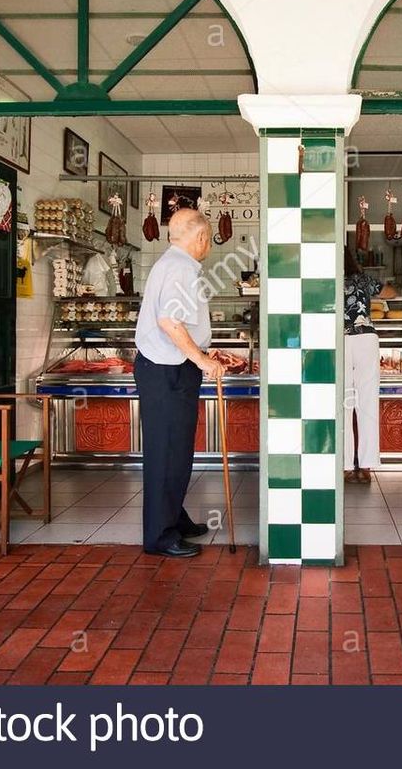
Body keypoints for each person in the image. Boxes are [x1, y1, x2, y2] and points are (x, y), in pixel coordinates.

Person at [133, 208, 226, 557]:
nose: (209, 244)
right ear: (200, 237)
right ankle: (160, 536)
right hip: (167, 370)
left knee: (176, 451)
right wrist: (202, 359)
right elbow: (170, 322)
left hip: (170, 369)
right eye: (209, 238)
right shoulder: (181, 268)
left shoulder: (172, 263)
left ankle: (174, 517)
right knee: (167, 453)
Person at [344, 246, 382, 483]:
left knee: (344, 403)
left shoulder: (327, 280)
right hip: (367, 338)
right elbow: (390, 293)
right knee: (367, 401)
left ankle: (346, 466)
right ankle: (366, 466)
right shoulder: (364, 279)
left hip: (342, 339)